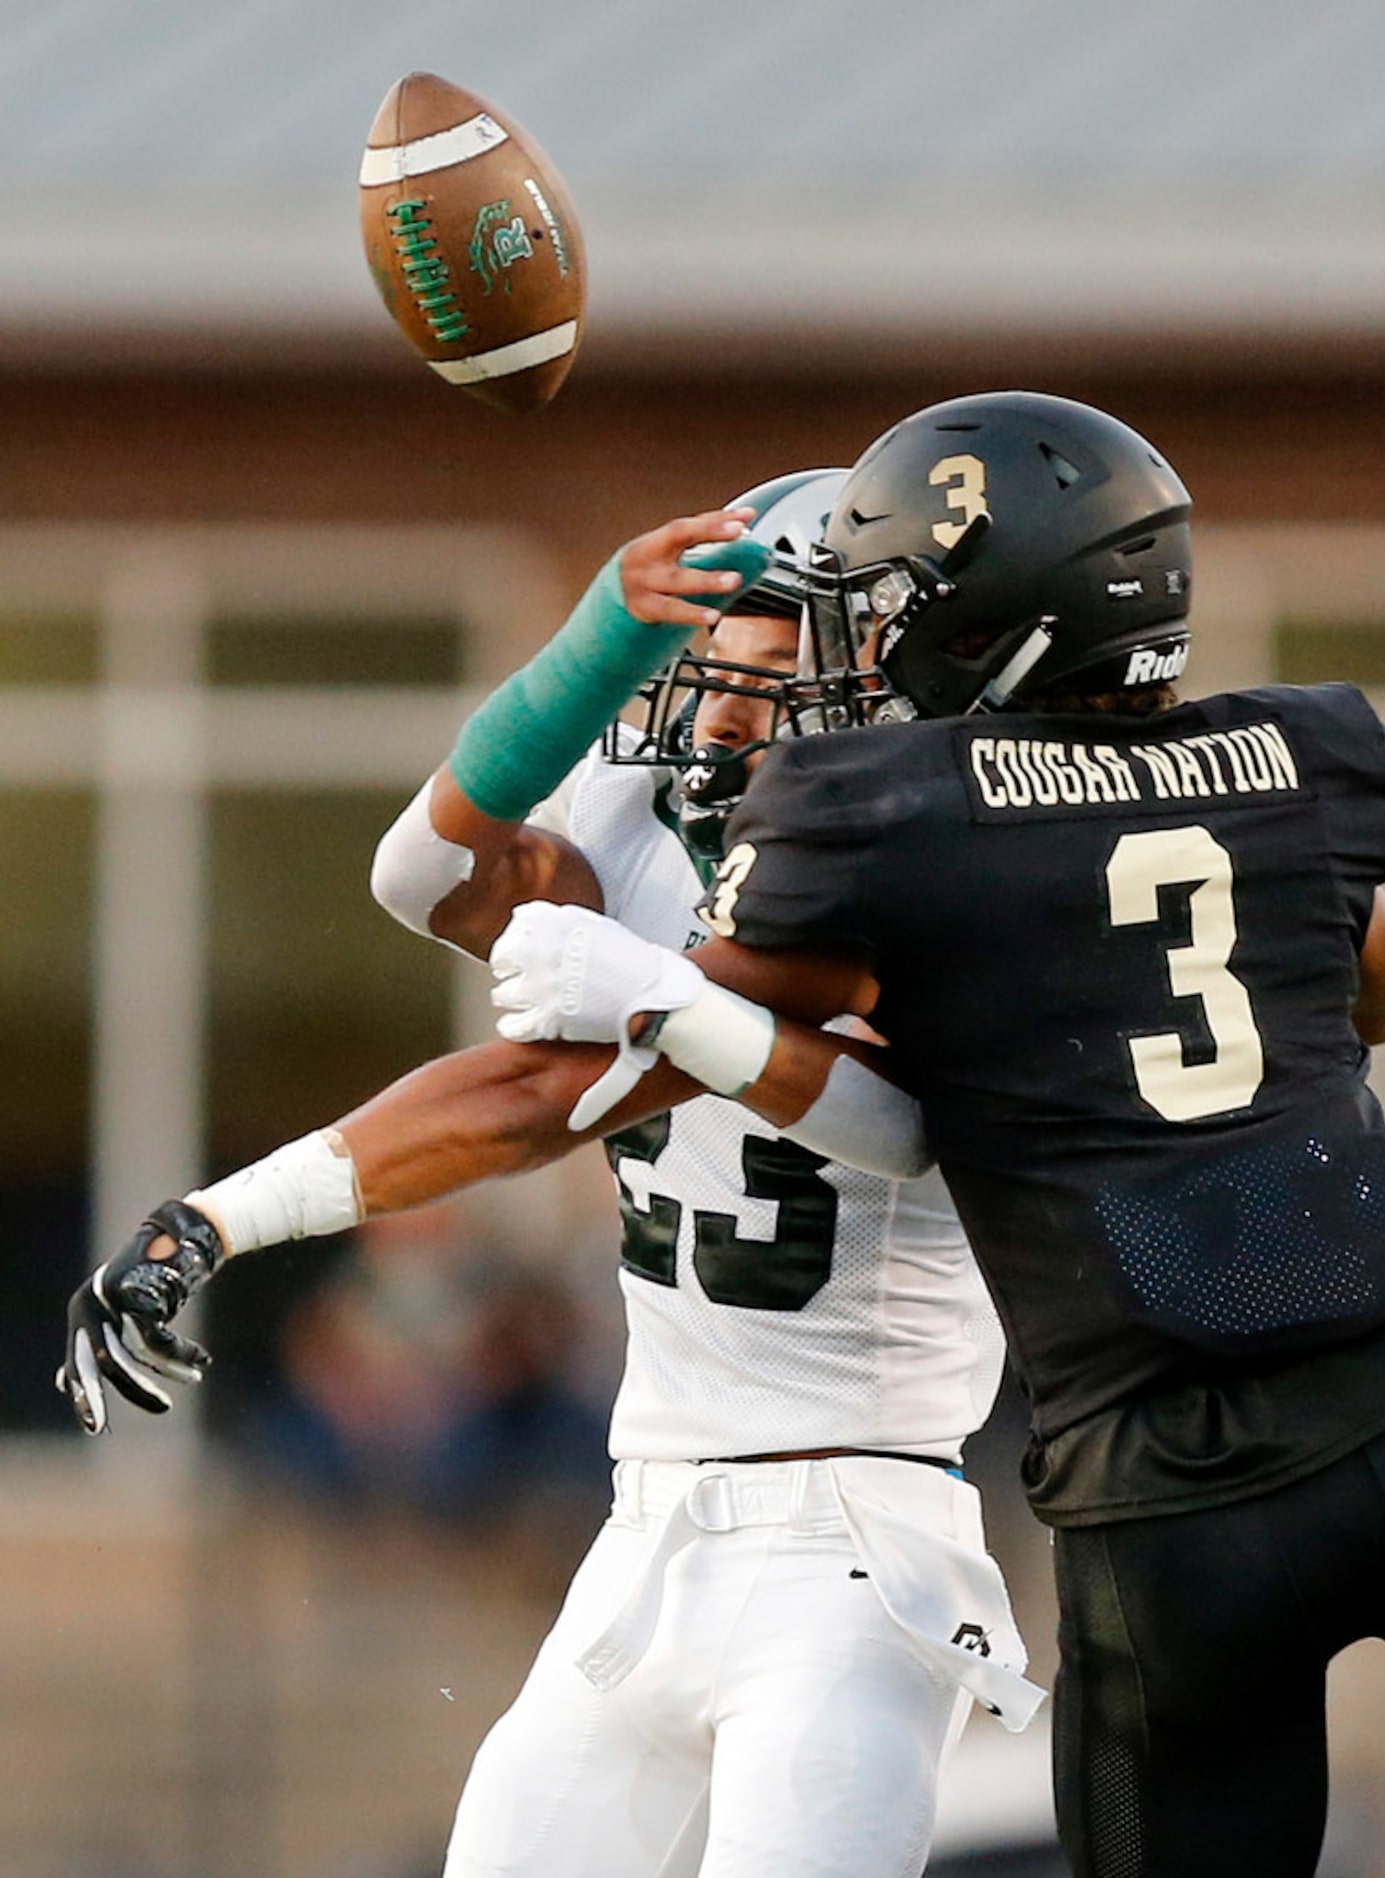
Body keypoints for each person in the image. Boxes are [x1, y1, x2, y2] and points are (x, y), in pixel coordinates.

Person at [484, 392, 1385, 1878]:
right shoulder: (1294, 756)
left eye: (893, 600)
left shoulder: (888, 810)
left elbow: (683, 1035)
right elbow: (1383, 973)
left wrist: (645, 994)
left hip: (1168, 1505)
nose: (870, 640)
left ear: (989, 621)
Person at [58, 472, 1042, 1878]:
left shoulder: (968, 872)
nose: (717, 712)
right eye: (712, 663)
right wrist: (596, 643)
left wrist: (667, 998)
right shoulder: (653, 835)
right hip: (646, 1524)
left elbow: (913, 1120)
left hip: (857, 1546)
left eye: (777, 671)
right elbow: (430, 889)